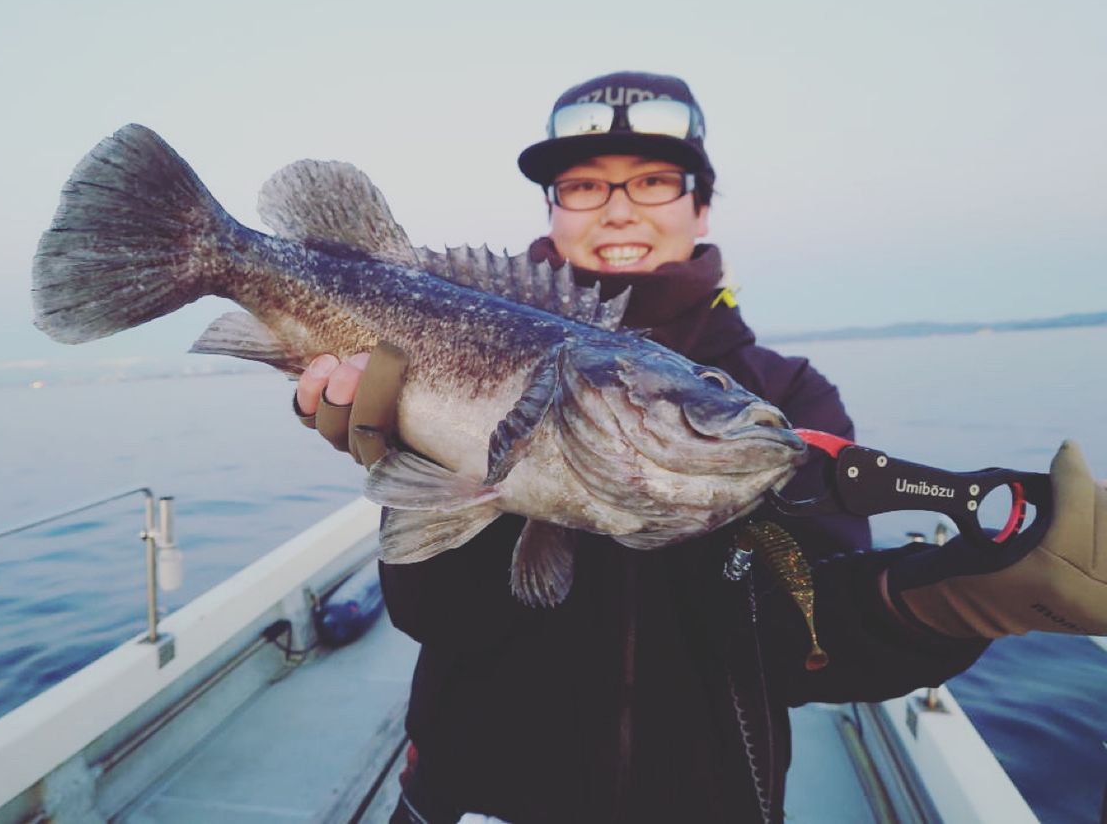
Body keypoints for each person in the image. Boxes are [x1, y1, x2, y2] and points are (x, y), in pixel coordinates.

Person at [294, 72, 1107, 823]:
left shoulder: (784, 400)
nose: (618, 209)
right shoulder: (450, 339)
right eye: (583, 186)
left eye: (651, 181)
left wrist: (955, 599)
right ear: (551, 208)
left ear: (701, 206)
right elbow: (434, 617)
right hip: (471, 798)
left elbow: (802, 646)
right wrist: (415, 457)